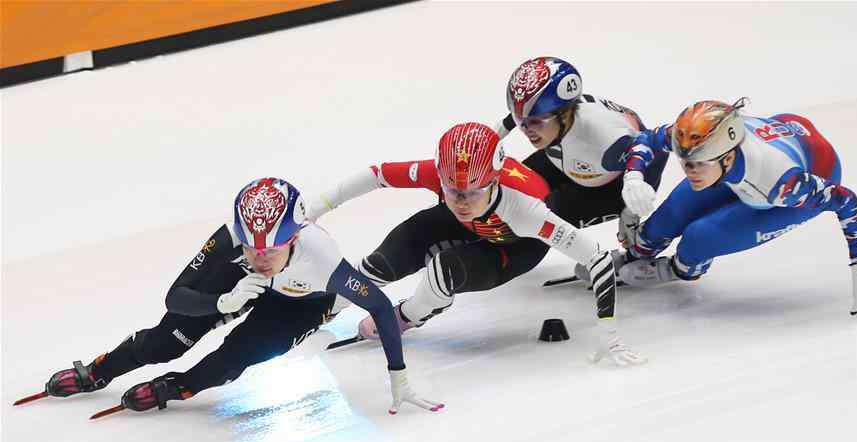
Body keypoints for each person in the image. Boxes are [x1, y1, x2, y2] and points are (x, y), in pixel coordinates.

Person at [18, 178, 442, 416]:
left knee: (234, 357)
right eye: (251, 248)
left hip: (299, 301)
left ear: (294, 237)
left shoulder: (323, 259)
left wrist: (397, 374)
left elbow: (380, 306)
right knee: (166, 341)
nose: (260, 258)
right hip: (236, 289)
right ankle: (101, 369)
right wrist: (220, 304)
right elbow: (175, 297)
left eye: (271, 250)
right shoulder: (228, 241)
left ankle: (179, 387)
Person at [306, 122, 644, 366]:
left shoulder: (527, 208)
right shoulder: (442, 174)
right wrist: (315, 210)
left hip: (512, 246)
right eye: (453, 190)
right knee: (384, 260)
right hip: (470, 226)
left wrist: (608, 330)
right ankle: (319, 308)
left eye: (473, 192)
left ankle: (406, 316)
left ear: (496, 179)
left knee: (443, 271)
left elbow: (596, 257)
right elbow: (377, 174)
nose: (462, 200)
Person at [615, 98, 857, 322]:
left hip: (811, 171)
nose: (690, 170)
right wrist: (634, 178)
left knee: (700, 238)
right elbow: (648, 139)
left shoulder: (782, 184)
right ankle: (637, 252)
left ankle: (682, 270)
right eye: (685, 161)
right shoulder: (695, 139)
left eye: (698, 163)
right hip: (781, 139)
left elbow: (846, 201)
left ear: (727, 158)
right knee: (665, 220)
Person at [496, 57, 669, 280]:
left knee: (543, 216)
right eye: (522, 122)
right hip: (568, 159)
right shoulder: (550, 114)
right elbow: (516, 116)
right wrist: (492, 138)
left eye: (536, 122)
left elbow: (657, 150)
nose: (527, 130)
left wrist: (630, 210)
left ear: (565, 113)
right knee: (508, 188)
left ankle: (496, 261)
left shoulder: (605, 140)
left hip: (609, 188)